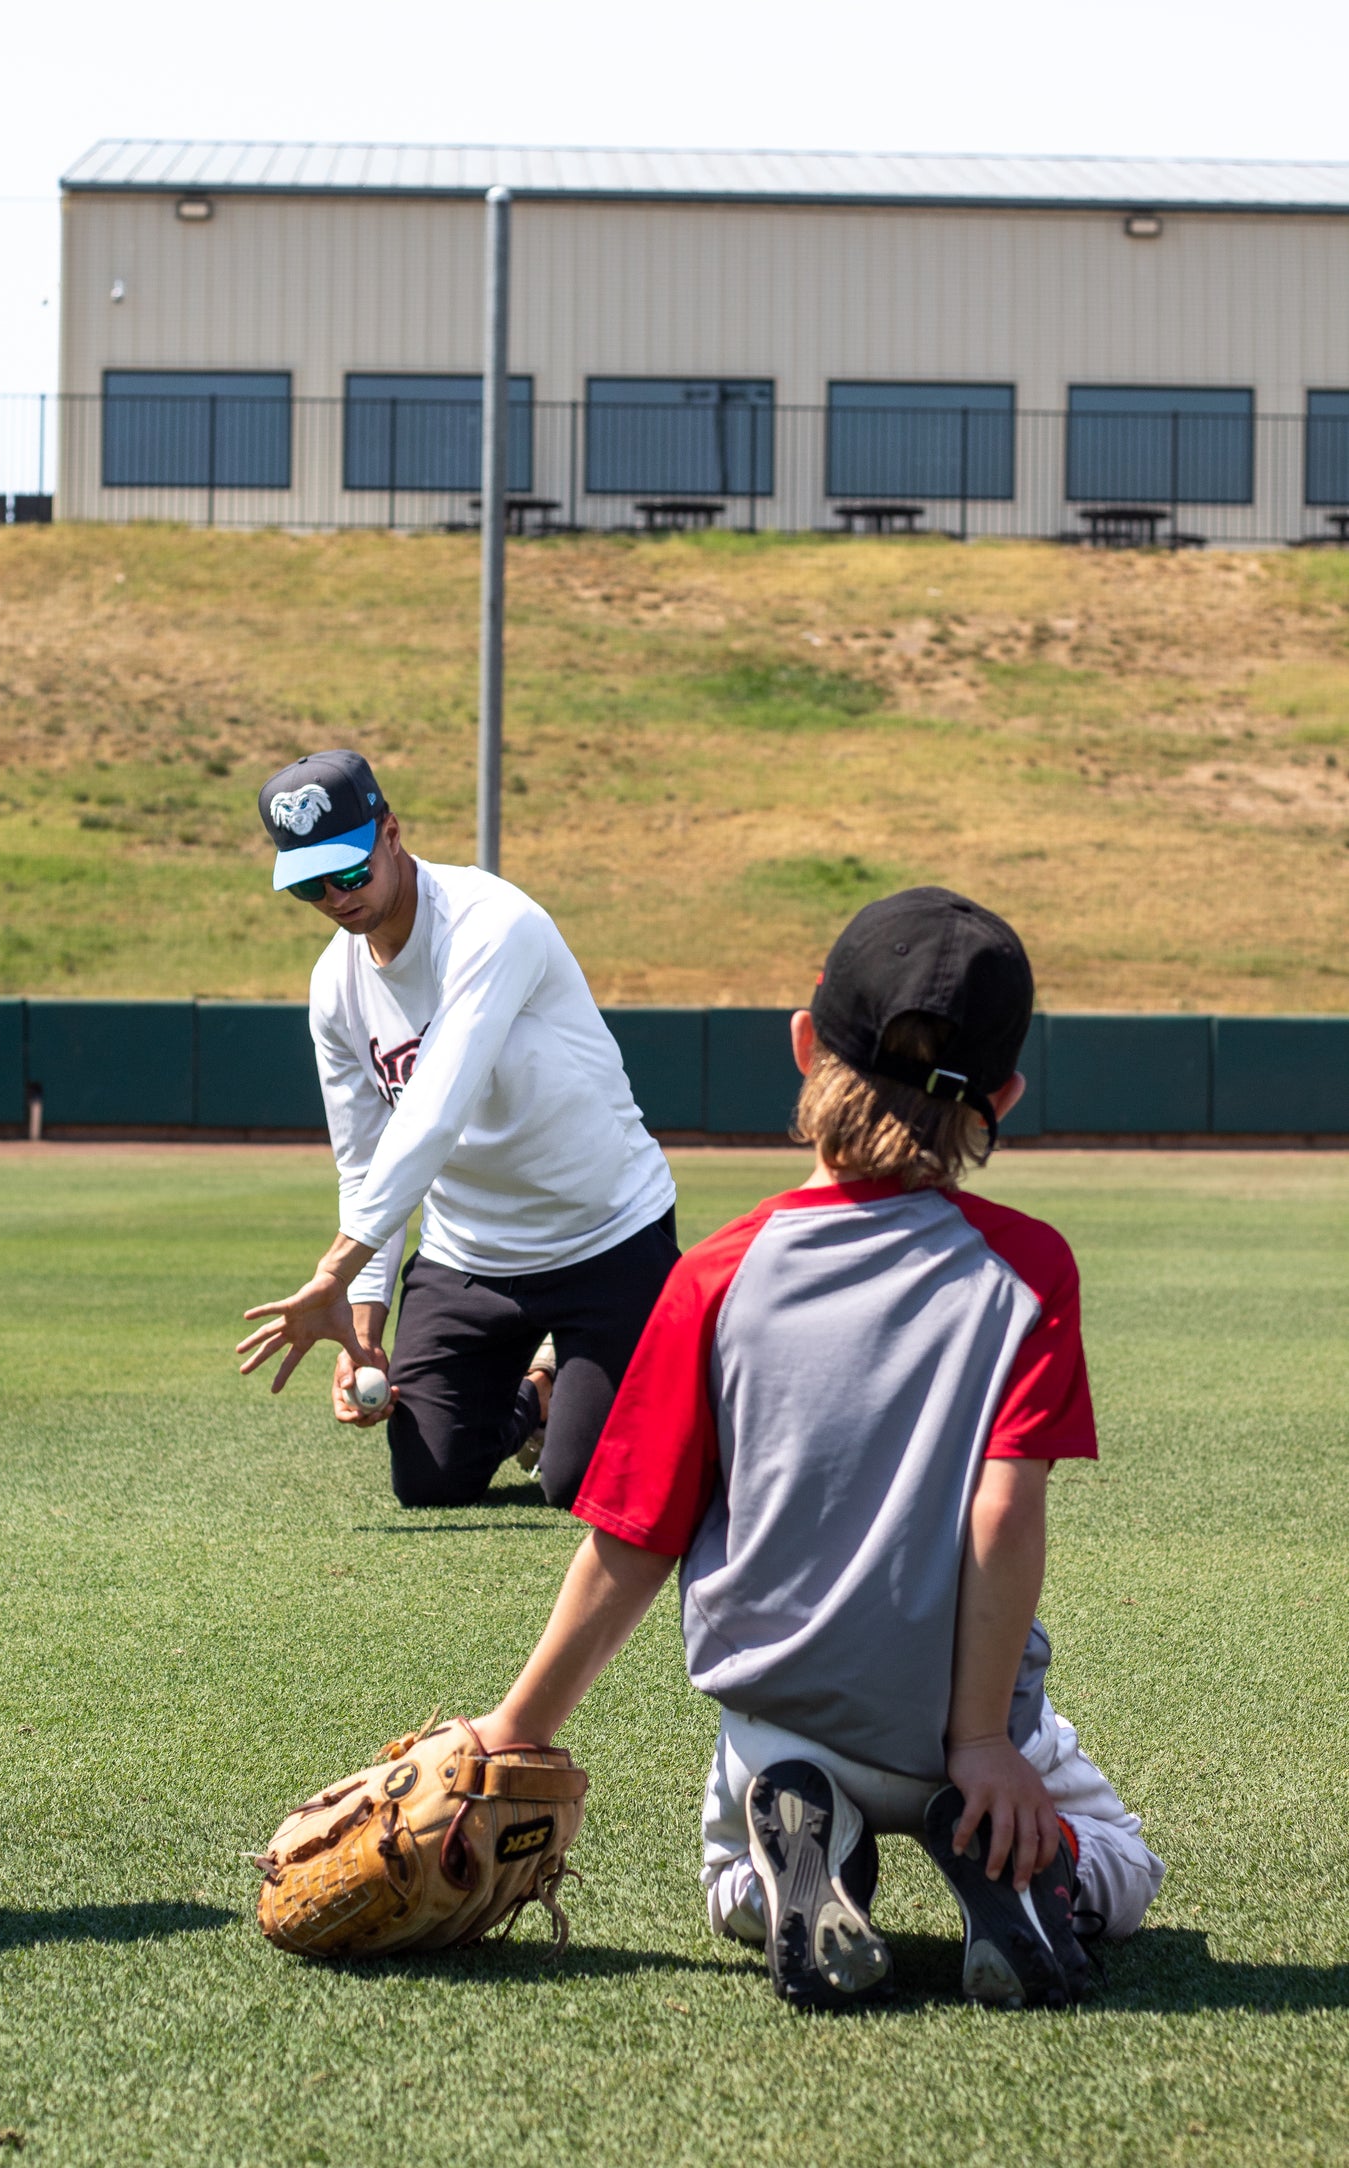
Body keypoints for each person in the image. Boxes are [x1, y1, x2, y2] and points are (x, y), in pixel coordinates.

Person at [466, 887, 1164, 2009]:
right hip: (959, 1733)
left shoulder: (717, 1274)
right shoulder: (1030, 1271)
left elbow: (631, 1541)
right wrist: (981, 1738)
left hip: (778, 1716)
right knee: (1124, 1868)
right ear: (1004, 1097)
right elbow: (1000, 1512)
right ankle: (1028, 1874)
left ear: (802, 1043)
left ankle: (805, 1856)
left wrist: (514, 1731)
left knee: (729, 1879)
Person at [236, 748, 678, 1511]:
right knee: (430, 1482)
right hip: (468, 1256)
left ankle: (597, 1372)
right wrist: (363, 1329)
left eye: (348, 871)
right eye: (308, 884)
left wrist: (336, 1268)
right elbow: (363, 1162)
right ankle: (538, 1398)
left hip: (605, 1235)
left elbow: (436, 1108)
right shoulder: (333, 988)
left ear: (392, 834)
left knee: (582, 1486)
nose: (335, 898)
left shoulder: (490, 922)